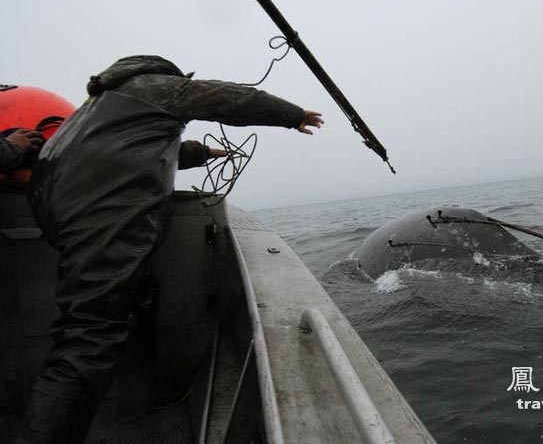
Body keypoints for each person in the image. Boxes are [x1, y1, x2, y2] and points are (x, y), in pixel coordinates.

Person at [20, 55, 323, 443]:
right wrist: (291, 114)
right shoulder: (155, 86)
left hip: (56, 210)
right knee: (88, 338)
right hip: (102, 215)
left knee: (140, 296)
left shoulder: (102, 107)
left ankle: (141, 398)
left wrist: (202, 154)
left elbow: (148, 148)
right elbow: (226, 98)